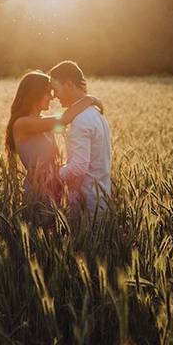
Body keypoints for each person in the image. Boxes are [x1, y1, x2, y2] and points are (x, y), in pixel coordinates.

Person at [5, 70, 100, 228]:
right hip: (38, 194)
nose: (52, 96)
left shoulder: (42, 122)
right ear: (34, 94)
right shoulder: (22, 124)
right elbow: (64, 120)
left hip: (55, 192)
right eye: (47, 92)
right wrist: (91, 100)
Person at [49, 60, 112, 226]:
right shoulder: (96, 113)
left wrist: (55, 174)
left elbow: (79, 167)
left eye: (56, 89)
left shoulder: (80, 121)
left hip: (87, 203)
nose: (54, 96)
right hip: (101, 196)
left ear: (69, 85)